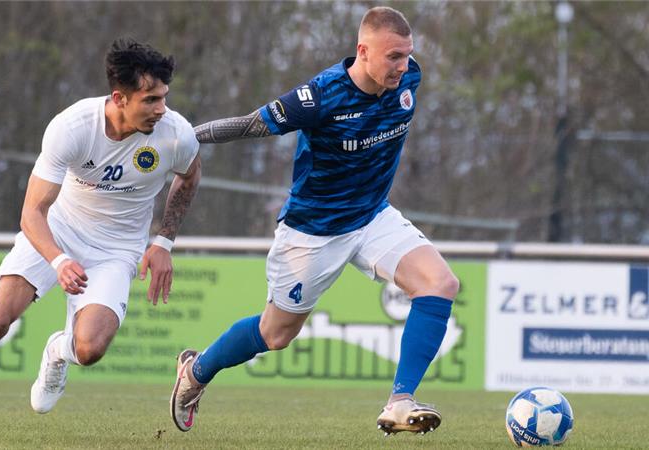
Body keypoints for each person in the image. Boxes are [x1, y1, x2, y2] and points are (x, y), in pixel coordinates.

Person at [0, 37, 201, 437]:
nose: (161, 109)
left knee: (89, 349)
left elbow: (190, 176)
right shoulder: (71, 128)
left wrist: (163, 241)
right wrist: (58, 259)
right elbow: (32, 212)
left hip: (117, 247)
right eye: (151, 100)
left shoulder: (177, 134)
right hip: (58, 229)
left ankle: (57, 350)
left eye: (164, 99)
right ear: (120, 98)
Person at [170, 6, 458, 436]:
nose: (404, 66)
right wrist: (181, 136)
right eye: (393, 56)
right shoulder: (320, 96)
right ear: (363, 51)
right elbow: (250, 125)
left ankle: (400, 401)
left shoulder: (410, 78)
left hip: (373, 215)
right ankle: (195, 372)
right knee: (275, 334)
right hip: (313, 231)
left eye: (407, 55)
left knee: (440, 284)